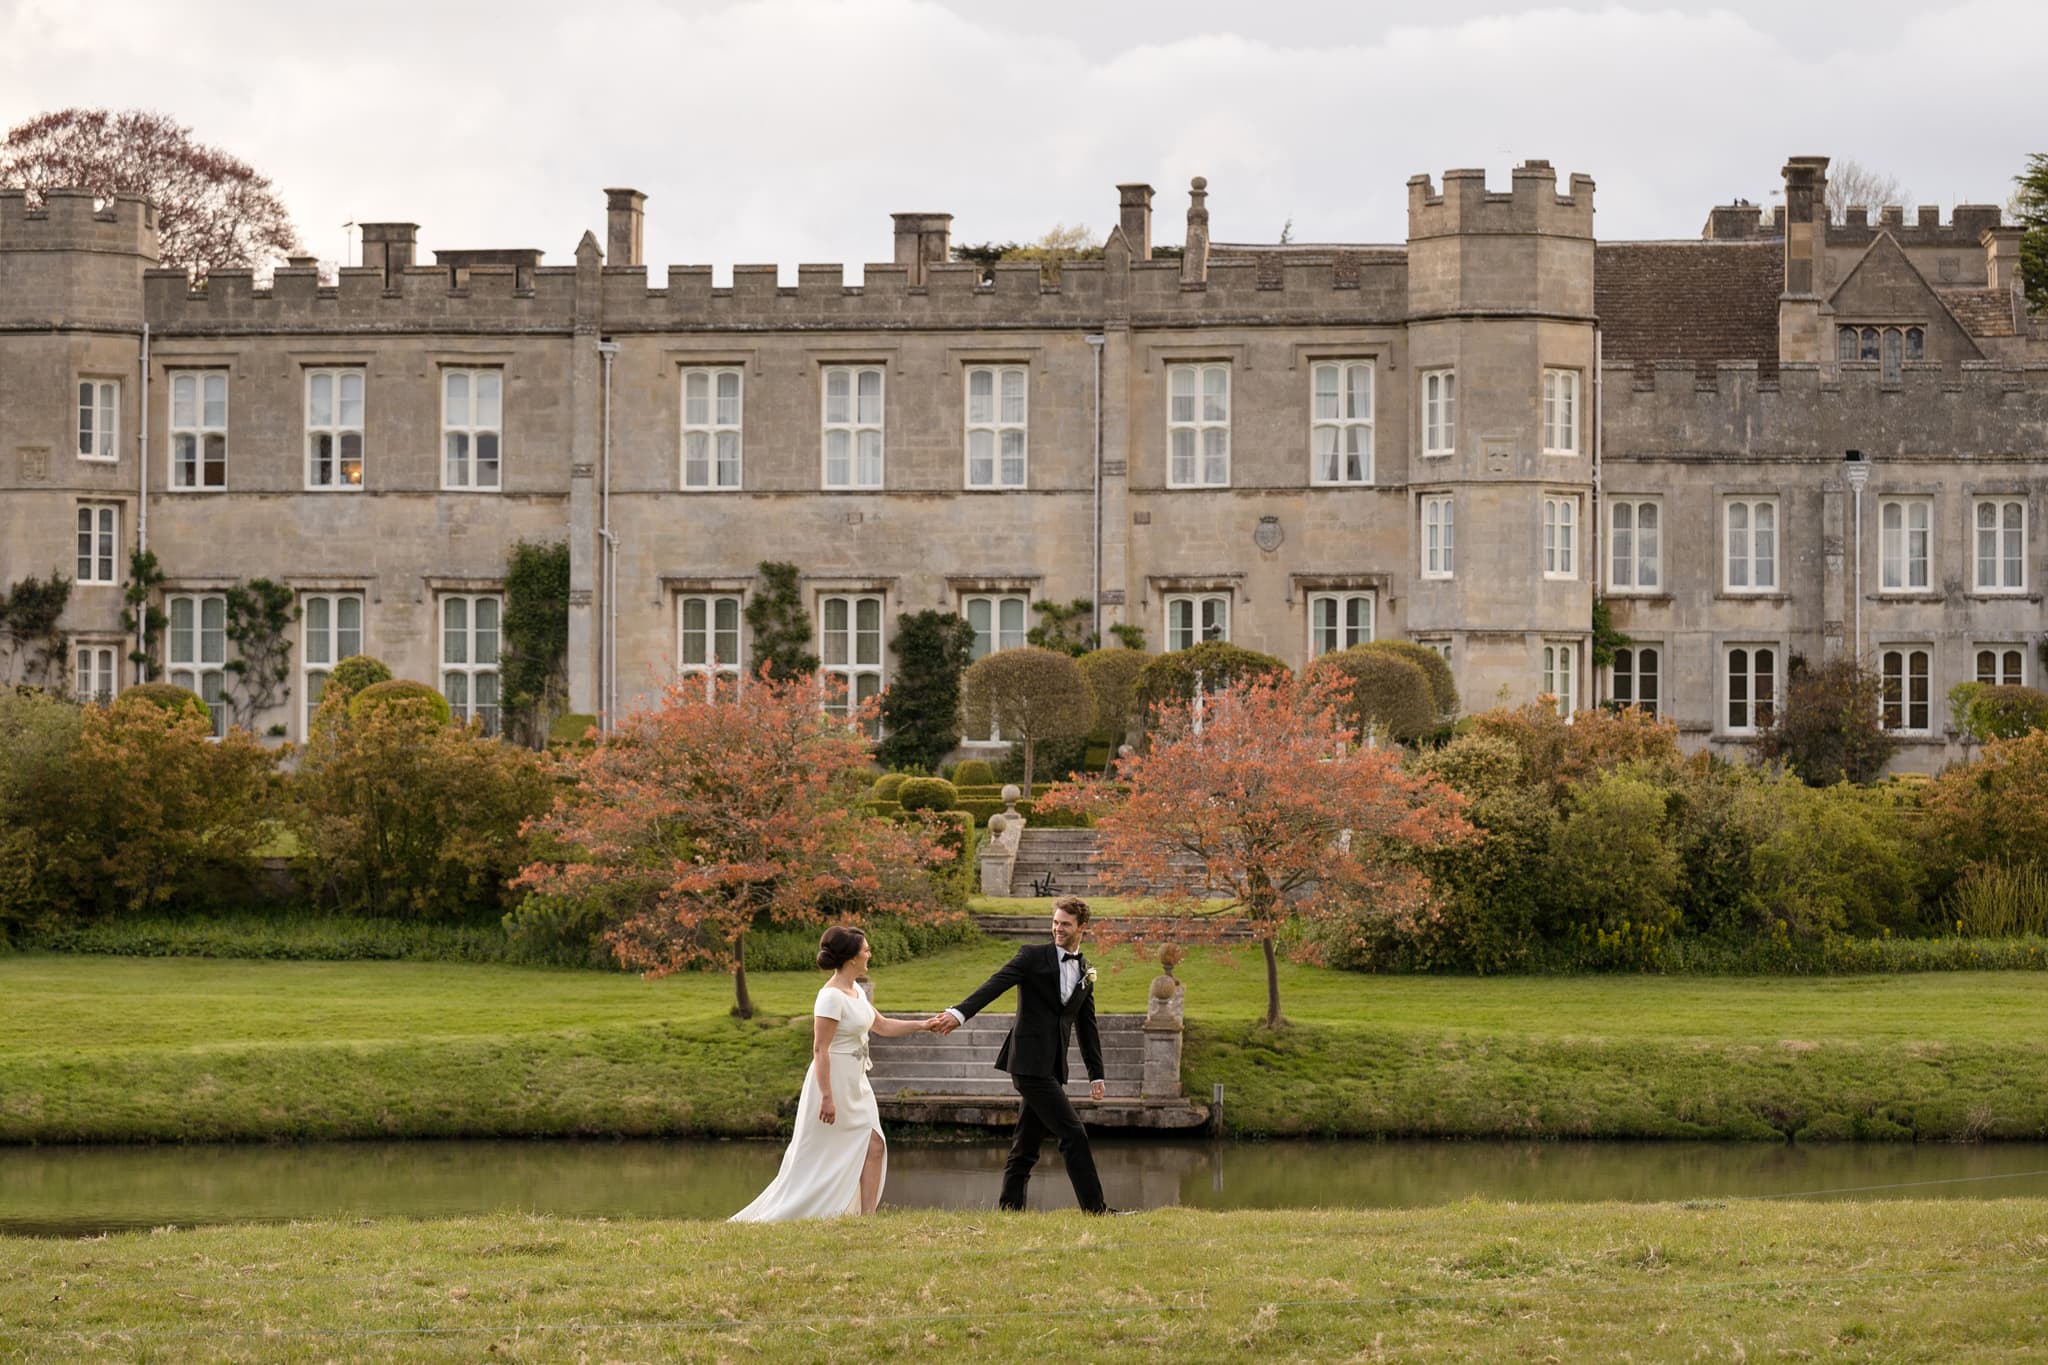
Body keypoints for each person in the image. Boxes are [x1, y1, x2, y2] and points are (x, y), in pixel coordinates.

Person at [730, 925, 935, 1222]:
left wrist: (923, 1025)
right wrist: (826, 1096)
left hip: (857, 1082)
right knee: (822, 1153)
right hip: (832, 1083)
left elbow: (883, 1025)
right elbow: (820, 1049)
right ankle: (802, 1208)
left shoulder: (858, 992)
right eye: (865, 950)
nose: (869, 954)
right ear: (852, 958)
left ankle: (868, 1218)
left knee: (874, 1143)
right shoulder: (829, 997)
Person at [931, 895, 1109, 1213]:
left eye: (1065, 924)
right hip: (1028, 1064)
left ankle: (1010, 1209)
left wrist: (1096, 1072)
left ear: (1082, 927)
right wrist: (959, 1013)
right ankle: (1096, 1210)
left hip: (1053, 1066)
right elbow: (995, 984)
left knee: (1026, 1145)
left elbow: (1086, 1025)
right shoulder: (1032, 956)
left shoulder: (1085, 970)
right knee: (1073, 1133)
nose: (1058, 929)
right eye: (1055, 922)